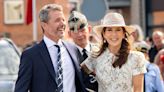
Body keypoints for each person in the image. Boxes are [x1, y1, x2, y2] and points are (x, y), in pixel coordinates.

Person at [14, 4, 86, 92]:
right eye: (57, 20)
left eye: (63, 19)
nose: (63, 23)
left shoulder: (73, 50)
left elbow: (83, 83)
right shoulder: (30, 56)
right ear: (44, 25)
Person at [81, 12, 147, 92]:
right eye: (109, 30)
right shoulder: (95, 57)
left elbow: (138, 90)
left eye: (118, 30)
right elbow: (78, 76)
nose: (114, 34)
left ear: (123, 34)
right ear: (104, 34)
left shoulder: (136, 58)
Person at [68, 11, 98, 92]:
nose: (79, 35)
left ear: (89, 29)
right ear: (69, 34)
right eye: (75, 31)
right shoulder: (67, 56)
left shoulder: (100, 52)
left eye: (82, 30)